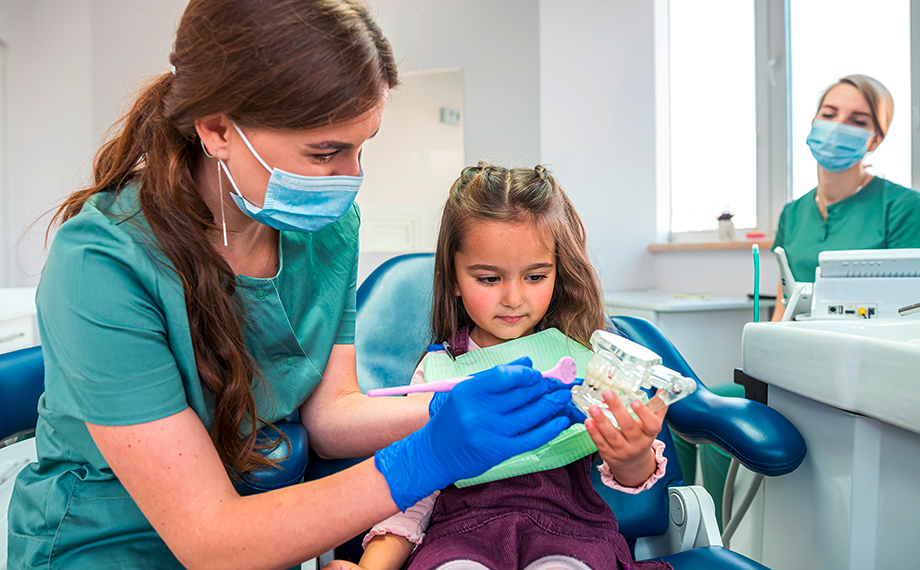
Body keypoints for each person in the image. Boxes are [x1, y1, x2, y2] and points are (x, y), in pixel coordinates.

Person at [5, 3, 577, 569]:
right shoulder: (103, 263)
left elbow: (330, 419)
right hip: (117, 550)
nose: (351, 177)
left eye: (362, 147)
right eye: (325, 152)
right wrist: (428, 455)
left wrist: (462, 401)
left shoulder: (325, 230)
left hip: (271, 535)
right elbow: (209, 539)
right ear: (217, 128)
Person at [331, 163, 673, 570]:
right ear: (453, 278)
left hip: (572, 533)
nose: (513, 298)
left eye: (535, 276)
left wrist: (631, 456)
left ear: (558, 272)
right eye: (489, 279)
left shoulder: (586, 358)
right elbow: (414, 491)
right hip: (460, 537)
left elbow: (634, 476)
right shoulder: (437, 371)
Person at [771, 73, 920, 320]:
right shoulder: (792, 213)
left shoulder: (903, 208)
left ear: (875, 140)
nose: (838, 126)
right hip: (795, 348)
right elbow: (784, 304)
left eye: (858, 121)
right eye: (829, 115)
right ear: (813, 123)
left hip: (870, 352)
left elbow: (909, 313)